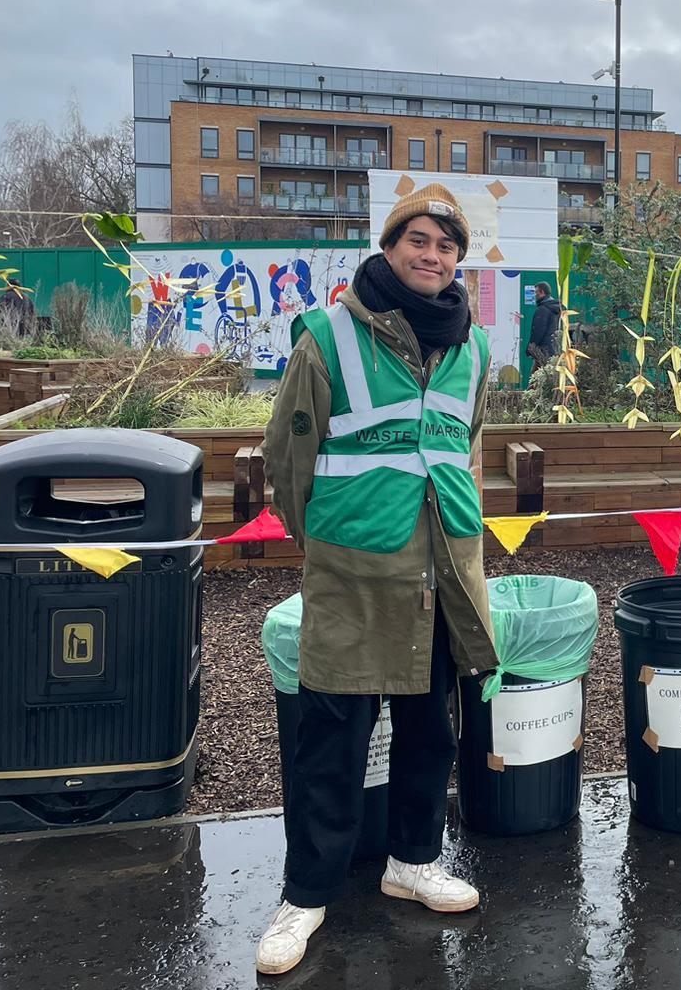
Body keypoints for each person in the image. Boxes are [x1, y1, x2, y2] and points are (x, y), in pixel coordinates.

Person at [256, 182, 498, 976]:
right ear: (390, 248)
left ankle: (413, 860)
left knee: (432, 729)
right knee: (332, 737)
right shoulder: (326, 336)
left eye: (447, 246)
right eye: (418, 242)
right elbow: (286, 463)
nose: (433, 257)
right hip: (357, 569)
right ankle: (306, 894)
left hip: (444, 570)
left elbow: (466, 447)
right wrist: (329, 537)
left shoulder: (475, 346)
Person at [527, 282, 562, 369]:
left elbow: (538, 332)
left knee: (535, 379)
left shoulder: (542, 310)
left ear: (542, 292)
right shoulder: (558, 309)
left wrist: (530, 349)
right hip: (556, 350)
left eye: (536, 292)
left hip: (543, 351)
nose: (534, 295)